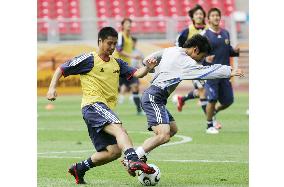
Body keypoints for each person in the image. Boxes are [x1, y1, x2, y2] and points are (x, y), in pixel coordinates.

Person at [46, 27, 156, 184]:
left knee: (114, 151)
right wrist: (52, 88)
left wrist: (148, 68)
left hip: (103, 110)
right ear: (100, 42)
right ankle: (132, 159)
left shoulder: (117, 63)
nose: (112, 47)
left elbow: (137, 73)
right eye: (109, 43)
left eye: (114, 44)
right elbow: (62, 69)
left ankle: (80, 168)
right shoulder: (89, 59)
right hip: (93, 105)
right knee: (119, 129)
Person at [122, 34, 244, 164]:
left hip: (156, 97)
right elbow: (205, 71)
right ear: (195, 50)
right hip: (154, 96)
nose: (200, 60)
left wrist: (149, 65)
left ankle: (141, 153)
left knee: (172, 129)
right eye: (201, 57)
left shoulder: (172, 49)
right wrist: (228, 71)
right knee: (163, 135)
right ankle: (132, 158)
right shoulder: (186, 61)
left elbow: (148, 58)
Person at [201, 8, 240, 134]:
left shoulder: (225, 33)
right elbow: (196, 54)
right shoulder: (204, 35)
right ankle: (209, 126)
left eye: (218, 15)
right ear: (208, 19)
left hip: (225, 73)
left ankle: (213, 111)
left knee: (228, 101)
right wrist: (205, 58)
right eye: (213, 15)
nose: (216, 17)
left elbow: (228, 50)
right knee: (212, 99)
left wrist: (235, 52)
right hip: (211, 73)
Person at [175, 4, 209, 119]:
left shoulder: (208, 30)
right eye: (196, 14)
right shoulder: (187, 31)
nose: (199, 16)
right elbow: (178, 46)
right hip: (193, 65)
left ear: (204, 16)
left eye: (201, 14)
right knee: (203, 90)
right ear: (192, 17)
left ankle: (182, 98)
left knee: (205, 91)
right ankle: (211, 122)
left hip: (208, 65)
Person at [113, 18, 143, 114]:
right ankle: (111, 110)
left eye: (130, 23)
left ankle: (139, 110)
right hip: (118, 65)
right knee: (114, 89)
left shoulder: (129, 37)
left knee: (135, 86)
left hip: (126, 66)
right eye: (126, 23)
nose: (129, 25)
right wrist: (133, 56)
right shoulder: (120, 35)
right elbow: (118, 50)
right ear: (122, 25)